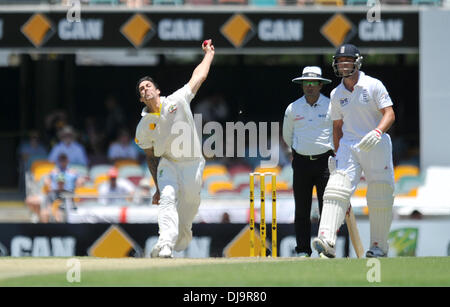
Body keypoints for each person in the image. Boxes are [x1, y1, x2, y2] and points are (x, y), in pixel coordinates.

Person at [312, 44, 396, 258]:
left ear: (357, 62)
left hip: (375, 143)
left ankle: (378, 246)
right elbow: (337, 127)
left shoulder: (373, 85)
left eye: (347, 60)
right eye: (340, 61)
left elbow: (389, 114)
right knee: (336, 188)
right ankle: (327, 240)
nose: (343, 65)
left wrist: (377, 132)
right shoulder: (336, 93)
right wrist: (336, 154)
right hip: (349, 145)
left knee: (380, 193)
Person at [134, 39, 215, 258]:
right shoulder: (143, 127)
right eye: (141, 89)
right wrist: (158, 188)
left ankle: (181, 236)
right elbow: (151, 158)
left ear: (157, 90)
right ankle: (165, 244)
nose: (145, 89)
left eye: (148, 86)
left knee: (188, 209)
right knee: (168, 198)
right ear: (141, 98)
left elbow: (198, 77)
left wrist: (208, 54)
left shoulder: (177, 100)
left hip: (192, 164)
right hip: (167, 163)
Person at [282, 66, 334, 257]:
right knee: (301, 209)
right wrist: (299, 150)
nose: (309, 87)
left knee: (326, 208)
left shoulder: (331, 105)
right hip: (302, 163)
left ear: (320, 85)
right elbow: (287, 136)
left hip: (325, 163)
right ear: (302, 85)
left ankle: (325, 247)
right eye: (306, 83)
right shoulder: (293, 108)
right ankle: (303, 250)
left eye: (313, 83)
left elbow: (338, 132)